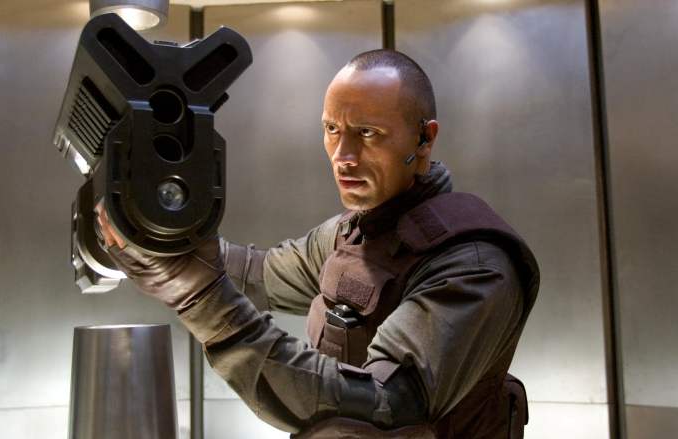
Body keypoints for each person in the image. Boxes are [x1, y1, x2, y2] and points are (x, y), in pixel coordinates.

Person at [98, 49, 540, 438]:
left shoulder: (474, 264)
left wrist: (199, 295)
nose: (343, 155)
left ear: (424, 139)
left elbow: (385, 406)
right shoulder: (352, 234)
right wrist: (154, 234)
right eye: (332, 128)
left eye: (367, 133)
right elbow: (257, 274)